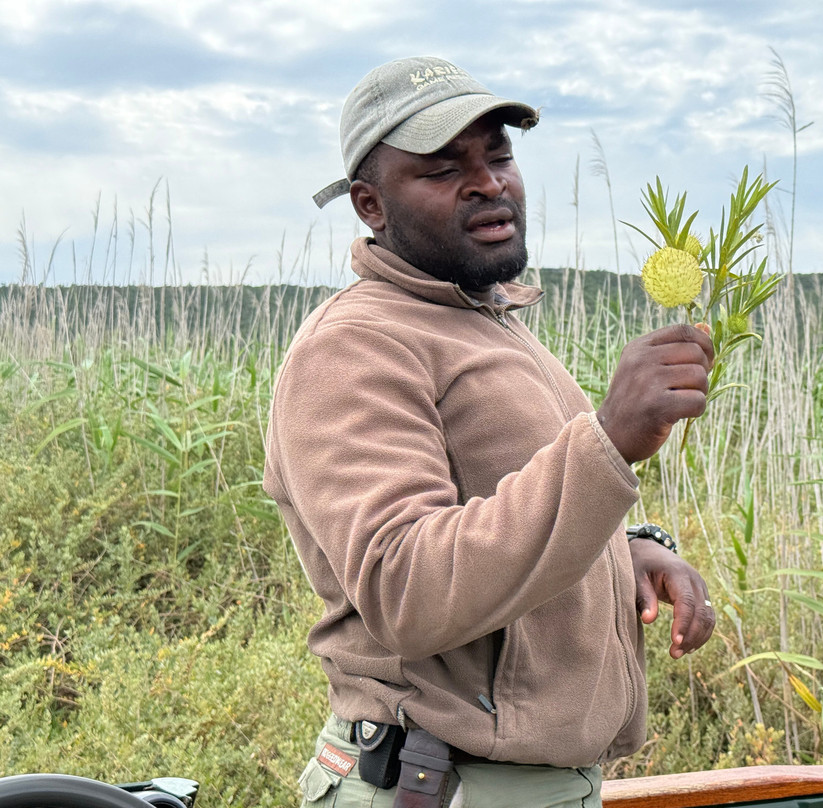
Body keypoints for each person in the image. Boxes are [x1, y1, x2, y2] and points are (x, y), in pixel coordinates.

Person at [263, 56, 717, 808]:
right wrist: (606, 441)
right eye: (443, 168)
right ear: (371, 206)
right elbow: (406, 586)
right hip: (436, 787)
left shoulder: (487, 323)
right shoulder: (354, 347)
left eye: (498, 154)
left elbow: (512, 507)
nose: (488, 181)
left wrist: (629, 548)